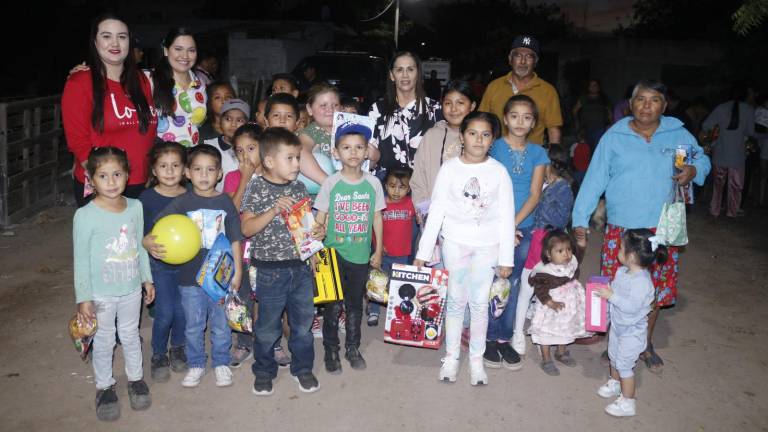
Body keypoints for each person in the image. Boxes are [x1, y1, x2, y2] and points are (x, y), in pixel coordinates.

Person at [572, 80, 711, 374]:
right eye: (641, 99)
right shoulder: (616, 136)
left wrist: (693, 170)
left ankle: (644, 343)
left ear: (664, 104)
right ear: (630, 104)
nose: (647, 105)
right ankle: (617, 340)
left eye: (655, 99)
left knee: (655, 289)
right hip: (622, 228)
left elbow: (698, 159)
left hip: (663, 225)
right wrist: (580, 219)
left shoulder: (676, 135)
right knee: (616, 284)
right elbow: (595, 178)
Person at [414, 111, 515, 385]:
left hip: (487, 248)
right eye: (472, 133)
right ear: (462, 136)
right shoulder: (450, 169)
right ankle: (452, 357)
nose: (478, 140)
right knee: (456, 302)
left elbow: (507, 215)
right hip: (455, 245)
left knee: (480, 304)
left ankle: (476, 361)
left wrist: (507, 257)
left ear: (492, 139)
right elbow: (436, 212)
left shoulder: (498, 172)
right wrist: (423, 253)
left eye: (485, 134)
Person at [144, 144, 244, 388]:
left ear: (219, 174)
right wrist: (146, 240)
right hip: (189, 277)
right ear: (188, 173)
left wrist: (238, 270)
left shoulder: (225, 202)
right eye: (197, 169)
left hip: (220, 276)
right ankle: (196, 363)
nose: (204, 175)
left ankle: (221, 362)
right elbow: (158, 227)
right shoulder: (182, 202)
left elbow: (235, 237)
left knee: (221, 324)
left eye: (210, 170)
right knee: (193, 325)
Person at [73, 147, 155, 421]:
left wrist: (147, 278)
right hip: (101, 294)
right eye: (103, 175)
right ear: (91, 179)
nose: (111, 182)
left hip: (131, 288)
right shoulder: (85, 215)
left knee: (131, 335)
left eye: (117, 174)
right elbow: (81, 260)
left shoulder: (135, 207)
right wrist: (84, 298)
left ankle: (136, 379)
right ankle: (105, 387)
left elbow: (140, 246)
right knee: (105, 339)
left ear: (127, 175)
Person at [241, 128, 321, 396]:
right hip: (269, 272)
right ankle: (263, 371)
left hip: (299, 268)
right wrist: (273, 209)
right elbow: (247, 229)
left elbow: (305, 228)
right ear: (270, 161)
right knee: (267, 327)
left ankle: (303, 368)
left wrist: (316, 234)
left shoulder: (299, 187)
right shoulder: (256, 187)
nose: (297, 164)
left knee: (302, 324)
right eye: (291, 158)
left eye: (298, 158)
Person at [62, 14, 156, 207]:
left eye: (122, 36)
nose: (115, 42)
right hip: (104, 185)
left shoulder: (142, 81)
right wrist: (105, 182)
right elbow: (78, 142)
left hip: (141, 182)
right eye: (106, 36)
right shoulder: (80, 82)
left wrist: (151, 172)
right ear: (95, 42)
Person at [314, 122, 385, 373]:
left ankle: (352, 348)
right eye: (346, 147)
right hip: (330, 255)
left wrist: (378, 250)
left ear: (367, 152)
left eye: (359, 147)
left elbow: (377, 217)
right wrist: (315, 248)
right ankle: (331, 350)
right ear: (336, 152)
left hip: (359, 255)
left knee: (355, 305)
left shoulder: (374, 184)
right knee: (331, 307)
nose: (353, 152)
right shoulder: (331, 183)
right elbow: (319, 217)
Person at [485, 94, 549, 370]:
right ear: (505, 119)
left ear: (534, 122)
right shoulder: (494, 147)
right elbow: (489, 188)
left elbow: (535, 194)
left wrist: (513, 224)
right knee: (491, 282)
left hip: (523, 227)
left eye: (527, 117)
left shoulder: (539, 153)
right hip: (492, 225)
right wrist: (502, 225)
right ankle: (487, 338)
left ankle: (504, 339)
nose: (520, 122)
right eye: (514, 116)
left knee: (512, 283)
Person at [595, 229, 669, 417]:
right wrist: (608, 291)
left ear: (632, 256)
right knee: (613, 355)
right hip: (619, 326)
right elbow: (617, 293)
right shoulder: (622, 271)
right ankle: (614, 383)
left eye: (621, 248)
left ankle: (628, 402)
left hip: (632, 332)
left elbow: (631, 306)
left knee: (625, 366)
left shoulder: (642, 282)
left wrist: (612, 296)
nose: (617, 250)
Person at [511, 144, 575, 356]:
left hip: (549, 243)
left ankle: (542, 335)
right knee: (527, 288)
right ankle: (518, 332)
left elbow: (559, 219)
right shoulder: (546, 183)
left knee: (545, 288)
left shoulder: (562, 187)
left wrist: (539, 195)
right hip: (537, 239)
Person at [139, 141, 188, 383]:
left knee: (183, 311)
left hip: (188, 265)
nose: (169, 171)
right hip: (159, 265)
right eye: (163, 166)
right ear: (154, 171)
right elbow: (136, 231)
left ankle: (177, 347)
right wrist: (143, 242)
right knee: (166, 311)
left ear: (184, 169)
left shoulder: (191, 195)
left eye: (175, 165)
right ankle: (158, 353)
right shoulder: (146, 198)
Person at [368, 51, 442, 177]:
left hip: (423, 187)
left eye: (410, 69)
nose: (405, 75)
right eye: (399, 70)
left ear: (418, 74)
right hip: (385, 188)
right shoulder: (377, 110)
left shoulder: (435, 109)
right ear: (392, 75)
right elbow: (369, 155)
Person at [479, 35, 562, 145]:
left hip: (532, 159)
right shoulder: (494, 86)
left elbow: (553, 129)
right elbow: (481, 122)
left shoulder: (548, 91)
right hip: (496, 157)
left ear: (536, 61)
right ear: (510, 59)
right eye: (518, 56)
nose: (523, 61)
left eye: (529, 57)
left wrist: (554, 157)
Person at [411, 80, 476, 216]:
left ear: (472, 106)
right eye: (448, 103)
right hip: (432, 213)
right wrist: (423, 210)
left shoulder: (479, 138)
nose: (453, 109)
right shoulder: (432, 135)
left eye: (460, 103)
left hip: (467, 217)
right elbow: (418, 176)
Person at [527, 229, 588, 376]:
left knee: (565, 328)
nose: (566, 254)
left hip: (567, 305)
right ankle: (546, 358)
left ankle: (561, 352)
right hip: (550, 308)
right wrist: (551, 303)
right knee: (547, 332)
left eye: (568, 249)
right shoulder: (545, 271)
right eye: (560, 251)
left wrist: (581, 245)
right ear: (549, 254)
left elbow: (577, 259)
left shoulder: (571, 262)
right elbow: (540, 290)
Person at [368, 167, 416, 326]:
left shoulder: (411, 204)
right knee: (378, 280)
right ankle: (374, 310)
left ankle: (397, 311)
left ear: (409, 188)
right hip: (383, 252)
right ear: (385, 186)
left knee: (398, 285)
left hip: (403, 254)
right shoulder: (380, 205)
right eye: (392, 186)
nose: (396, 191)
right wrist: (377, 248)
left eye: (402, 187)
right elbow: (374, 228)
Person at [702, 85, 755, 218]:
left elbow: (706, 126)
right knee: (736, 186)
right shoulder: (748, 109)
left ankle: (715, 210)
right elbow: (751, 132)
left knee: (718, 185)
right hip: (738, 154)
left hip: (720, 152)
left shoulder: (721, 108)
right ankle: (732, 211)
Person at [152, 27, 207, 147]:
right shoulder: (150, 81)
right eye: (178, 49)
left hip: (193, 159)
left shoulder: (200, 85)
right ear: (166, 51)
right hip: (164, 160)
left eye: (191, 50)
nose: (185, 56)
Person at [298, 83, 341, 184]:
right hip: (320, 193)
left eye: (335, 105)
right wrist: (330, 185)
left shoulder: (349, 132)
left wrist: (374, 156)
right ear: (309, 109)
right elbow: (300, 153)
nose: (330, 110)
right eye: (323, 105)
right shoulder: (310, 132)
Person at [204, 98, 249, 190]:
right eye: (228, 119)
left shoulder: (252, 149)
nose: (233, 124)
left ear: (247, 123)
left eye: (239, 120)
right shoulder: (209, 147)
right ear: (220, 121)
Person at [572, 79, 612, 153]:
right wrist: (577, 123)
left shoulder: (604, 98)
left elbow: (609, 112)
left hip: (600, 128)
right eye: (591, 85)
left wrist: (609, 124)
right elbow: (575, 110)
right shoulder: (583, 98)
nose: (593, 87)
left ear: (599, 87)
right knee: (587, 149)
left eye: (595, 85)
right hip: (586, 128)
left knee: (598, 148)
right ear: (588, 87)